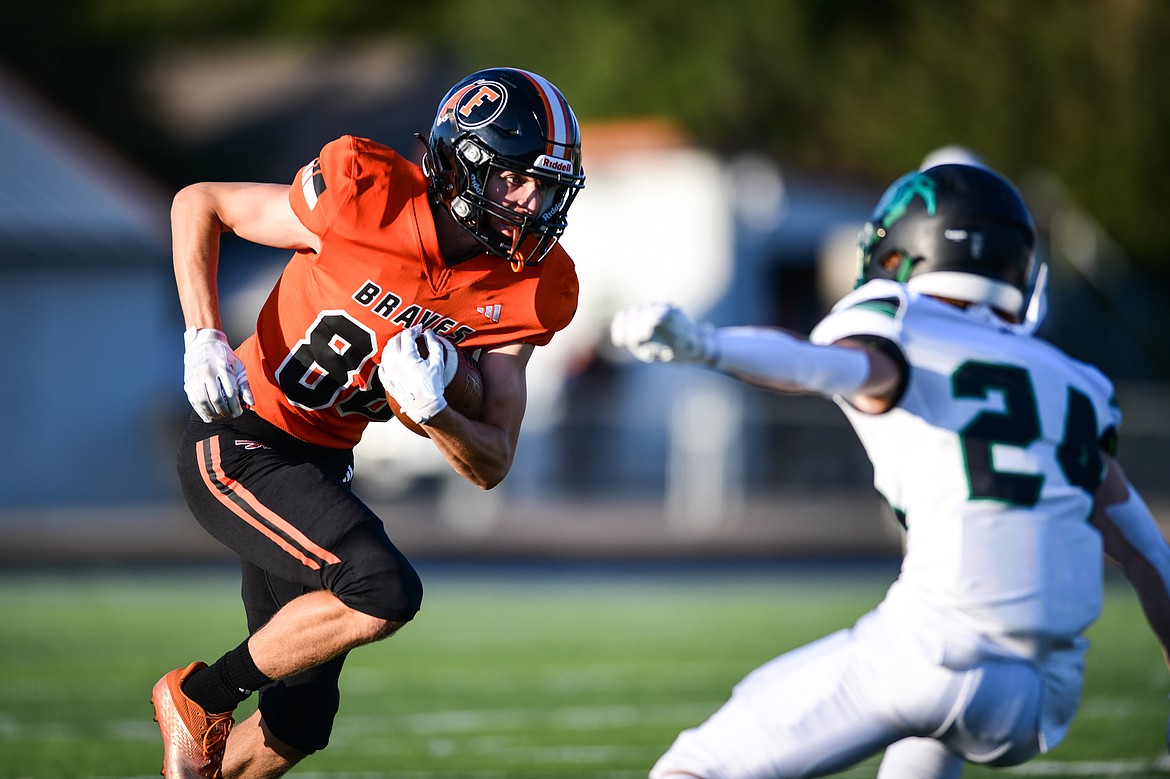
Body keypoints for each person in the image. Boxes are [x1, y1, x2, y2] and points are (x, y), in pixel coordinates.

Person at [610, 163, 1170, 778]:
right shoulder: (1074, 382)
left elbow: (829, 368)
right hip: (1043, 696)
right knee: (926, 737)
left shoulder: (900, 320)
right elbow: (1147, 554)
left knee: (697, 766)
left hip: (937, 653)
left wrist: (707, 346)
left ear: (904, 254)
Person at [153, 66, 585, 778]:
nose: (533, 203)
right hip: (242, 436)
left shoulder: (533, 285)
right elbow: (200, 203)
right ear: (462, 163)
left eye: (548, 187)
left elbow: (493, 460)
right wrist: (202, 333)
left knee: (297, 725)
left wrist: (437, 411)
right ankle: (199, 696)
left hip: (320, 466)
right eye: (516, 180)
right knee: (382, 588)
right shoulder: (362, 190)